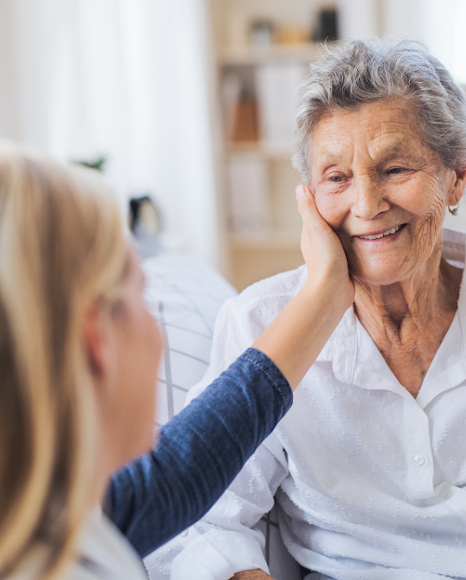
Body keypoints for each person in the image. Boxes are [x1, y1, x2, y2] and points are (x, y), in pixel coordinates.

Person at [168, 38, 466, 580]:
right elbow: (203, 521)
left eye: (394, 169)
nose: (366, 206)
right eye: (337, 178)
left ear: (456, 176)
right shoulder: (261, 326)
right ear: (310, 198)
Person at [0, 140, 353, 579]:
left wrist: (326, 294)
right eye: (143, 294)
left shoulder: (46, 517)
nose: (160, 334)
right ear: (97, 339)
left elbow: (174, 476)